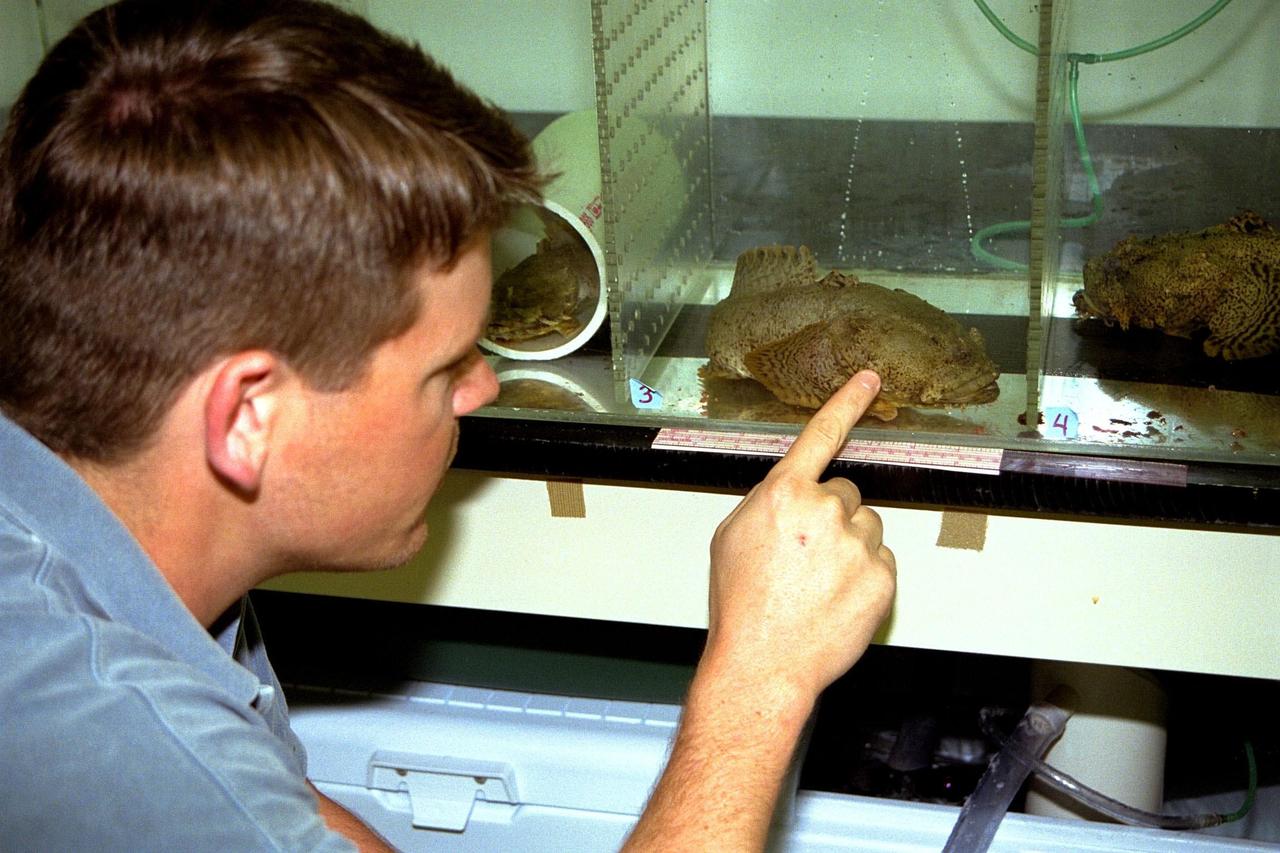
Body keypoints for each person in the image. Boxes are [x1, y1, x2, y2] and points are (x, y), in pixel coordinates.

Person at [0, 1, 896, 850]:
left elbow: (274, 804)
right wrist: (760, 679)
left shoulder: (97, 529)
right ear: (247, 416)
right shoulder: (117, 741)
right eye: (445, 369)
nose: (484, 390)